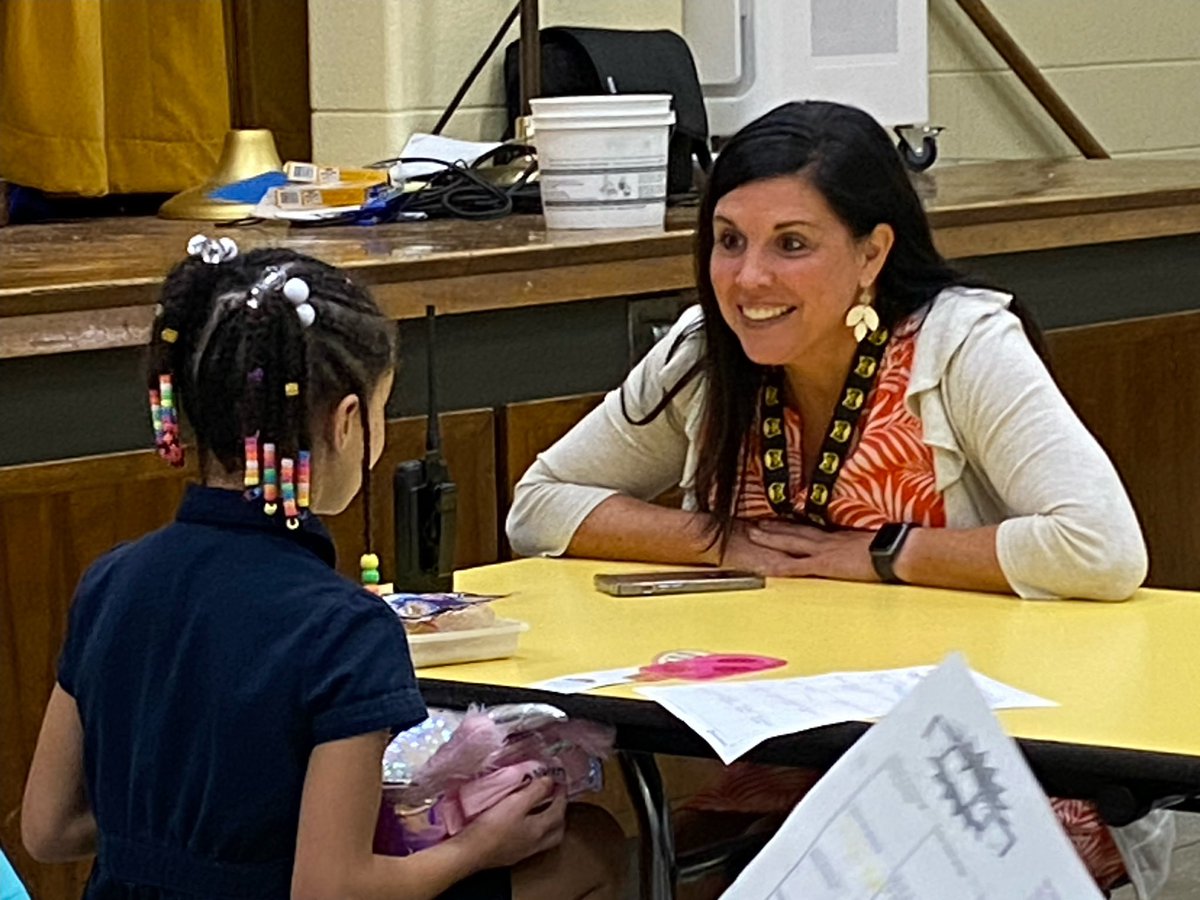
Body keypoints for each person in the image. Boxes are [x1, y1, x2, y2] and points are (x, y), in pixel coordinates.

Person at [507, 101, 1160, 894]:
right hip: (796, 753)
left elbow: (1101, 547)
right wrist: (722, 538)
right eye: (728, 242)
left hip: (997, 759)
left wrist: (882, 552)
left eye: (792, 245)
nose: (749, 279)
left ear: (872, 253)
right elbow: (538, 505)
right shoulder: (702, 353)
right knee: (630, 869)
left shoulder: (961, 343)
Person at [22, 239, 624, 900]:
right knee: (589, 843)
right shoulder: (345, 627)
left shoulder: (111, 581)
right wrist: (479, 847)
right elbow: (329, 889)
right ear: (346, 422)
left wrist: (166, 834)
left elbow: (47, 830)